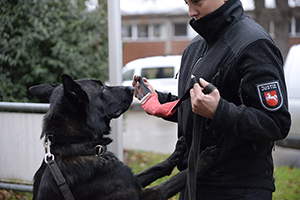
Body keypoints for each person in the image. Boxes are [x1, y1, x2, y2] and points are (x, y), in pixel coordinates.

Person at [132, 0, 291, 199]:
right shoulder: (195, 46)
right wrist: (159, 101)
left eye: (197, 1)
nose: (191, 11)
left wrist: (220, 111)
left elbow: (276, 123)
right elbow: (197, 109)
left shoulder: (254, 43)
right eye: (187, 2)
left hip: (238, 189)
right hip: (192, 182)